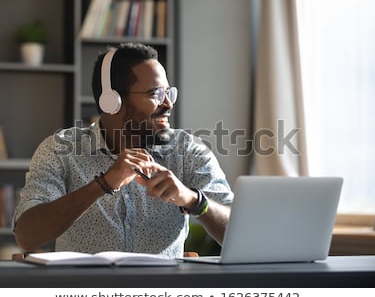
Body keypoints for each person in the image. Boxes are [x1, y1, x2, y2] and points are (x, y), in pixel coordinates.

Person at [12, 43, 233, 258]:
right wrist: (103, 184)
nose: (168, 104)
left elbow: (240, 230)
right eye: (155, 94)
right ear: (113, 101)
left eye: (169, 93)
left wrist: (194, 200)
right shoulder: (61, 150)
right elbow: (27, 236)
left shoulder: (188, 151)